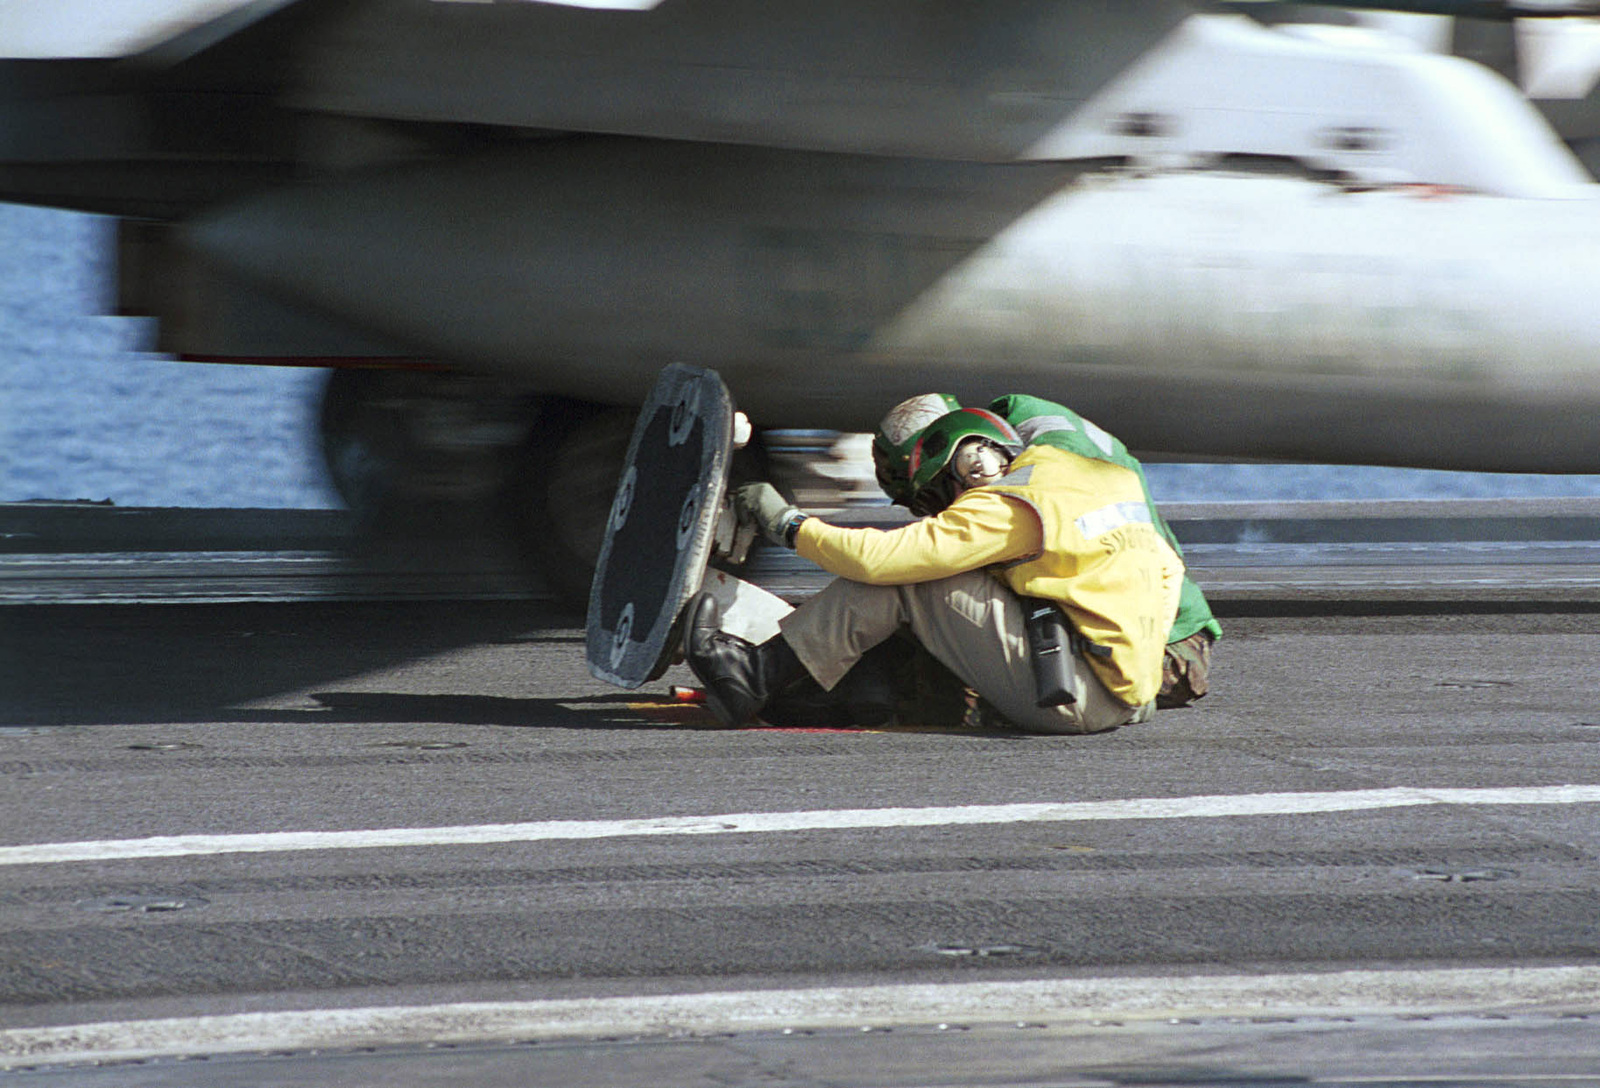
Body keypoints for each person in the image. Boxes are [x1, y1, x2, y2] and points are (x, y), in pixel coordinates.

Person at [684, 407, 1185, 734]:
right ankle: (863, 688)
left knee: (913, 576)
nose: (946, 510)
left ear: (967, 464)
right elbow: (1170, 570)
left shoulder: (1008, 504)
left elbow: (879, 560)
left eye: (939, 496)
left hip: (1072, 697)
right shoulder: (1097, 478)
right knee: (953, 578)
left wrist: (786, 522)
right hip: (1121, 692)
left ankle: (751, 675)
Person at [872, 393, 1218, 708]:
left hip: (1163, 655)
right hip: (1165, 632)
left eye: (930, 497)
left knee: (946, 632)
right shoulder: (1025, 431)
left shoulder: (1034, 474)